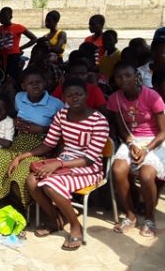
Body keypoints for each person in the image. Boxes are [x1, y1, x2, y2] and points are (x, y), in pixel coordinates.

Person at [19, 79, 110, 250]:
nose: (75, 98)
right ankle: (55, 220)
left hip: (88, 168)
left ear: (86, 96)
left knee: (50, 186)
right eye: (70, 95)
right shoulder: (61, 115)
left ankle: (76, 227)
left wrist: (59, 163)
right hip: (63, 163)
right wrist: (23, 156)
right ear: (64, 98)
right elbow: (49, 143)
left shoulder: (99, 121)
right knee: (32, 181)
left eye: (79, 94)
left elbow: (89, 158)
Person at [0, 67, 64, 209]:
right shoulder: (19, 98)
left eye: (38, 82)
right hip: (17, 143)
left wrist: (42, 128)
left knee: (18, 176)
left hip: (41, 148)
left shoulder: (56, 104)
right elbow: (17, 114)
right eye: (30, 83)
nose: (35, 85)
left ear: (45, 83)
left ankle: (19, 210)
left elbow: (62, 130)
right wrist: (16, 121)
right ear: (23, 86)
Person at [109, 61, 165, 238]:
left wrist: (146, 150)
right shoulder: (115, 99)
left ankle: (149, 218)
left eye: (128, 75)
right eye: (119, 77)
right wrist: (132, 144)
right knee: (118, 170)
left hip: (155, 140)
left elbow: (163, 132)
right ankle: (130, 214)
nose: (123, 79)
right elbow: (121, 129)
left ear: (137, 76)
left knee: (146, 175)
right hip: (132, 140)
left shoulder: (152, 96)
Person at [0, 7, 37, 80]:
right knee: (2, 77)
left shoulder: (18, 27)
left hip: (14, 57)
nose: (1, 18)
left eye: (4, 16)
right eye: (0, 16)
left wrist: (20, 48)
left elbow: (34, 39)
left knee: (14, 77)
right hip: (1, 57)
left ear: (10, 17)